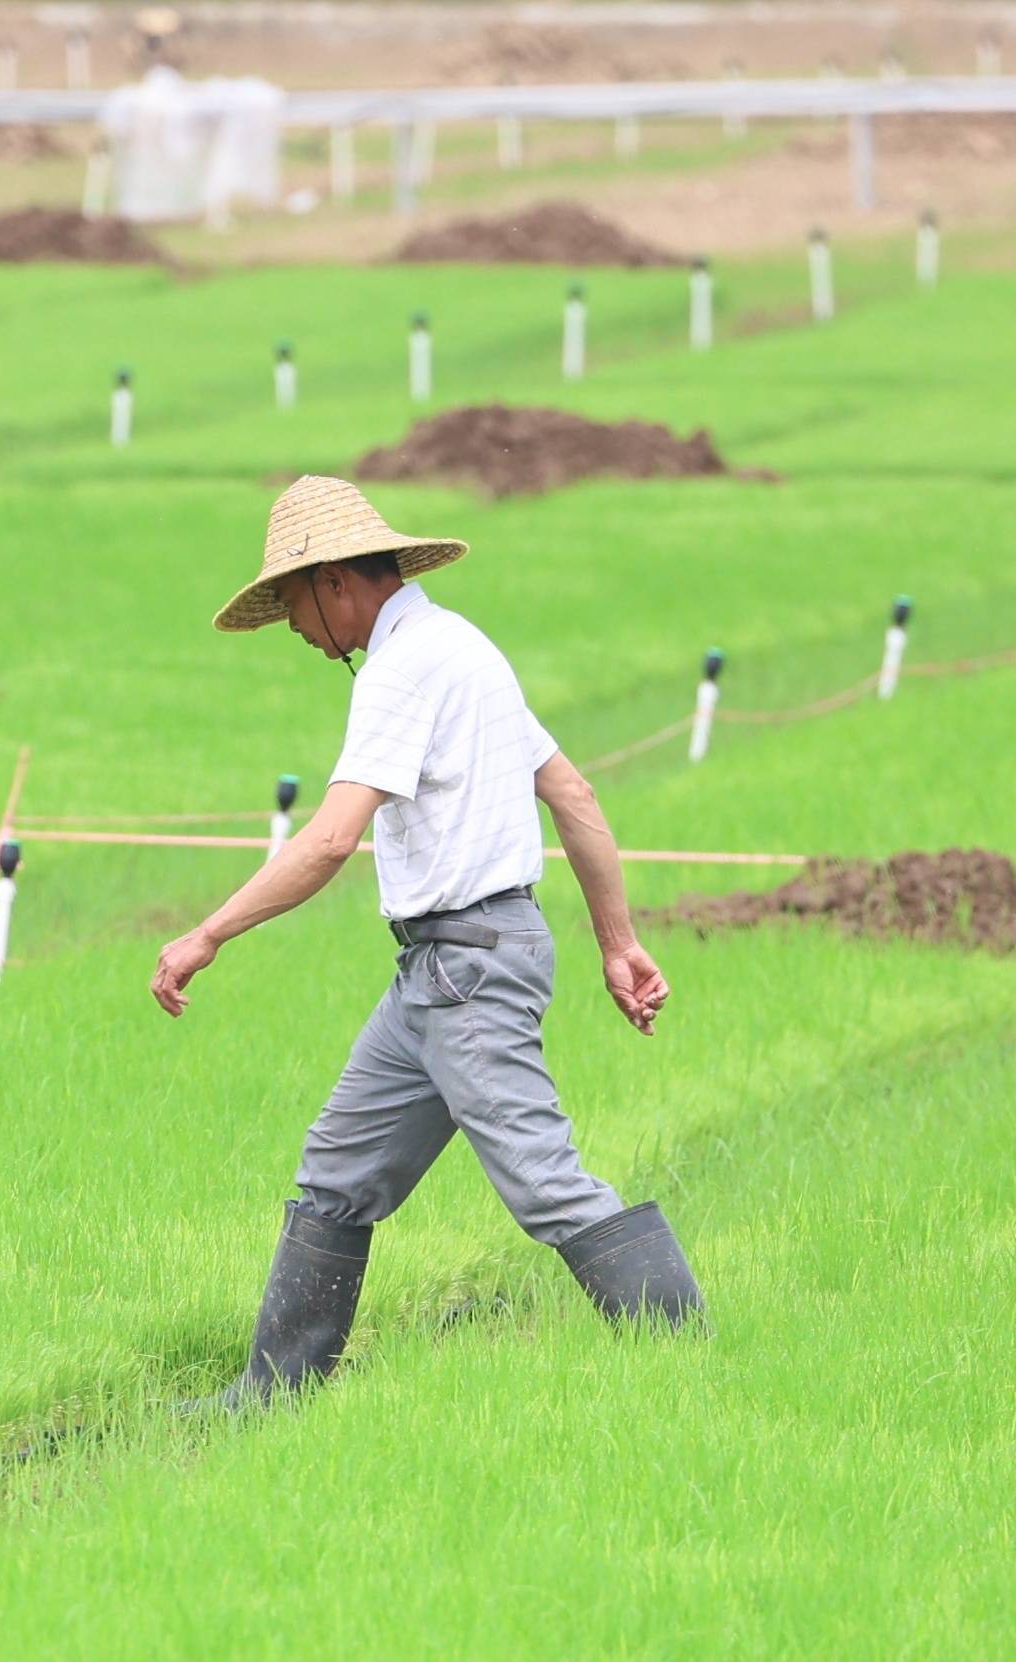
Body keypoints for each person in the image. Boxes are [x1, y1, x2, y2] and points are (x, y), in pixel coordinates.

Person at [154, 475, 698, 1403]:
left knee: (544, 1181)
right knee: (336, 1170)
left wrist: (208, 934)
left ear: (335, 583)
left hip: (465, 971)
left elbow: (329, 839)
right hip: (446, 968)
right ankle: (272, 1394)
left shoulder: (404, 671)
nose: (290, 624)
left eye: (289, 600)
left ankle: (689, 1353)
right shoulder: (465, 648)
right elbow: (575, 794)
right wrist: (617, 941)